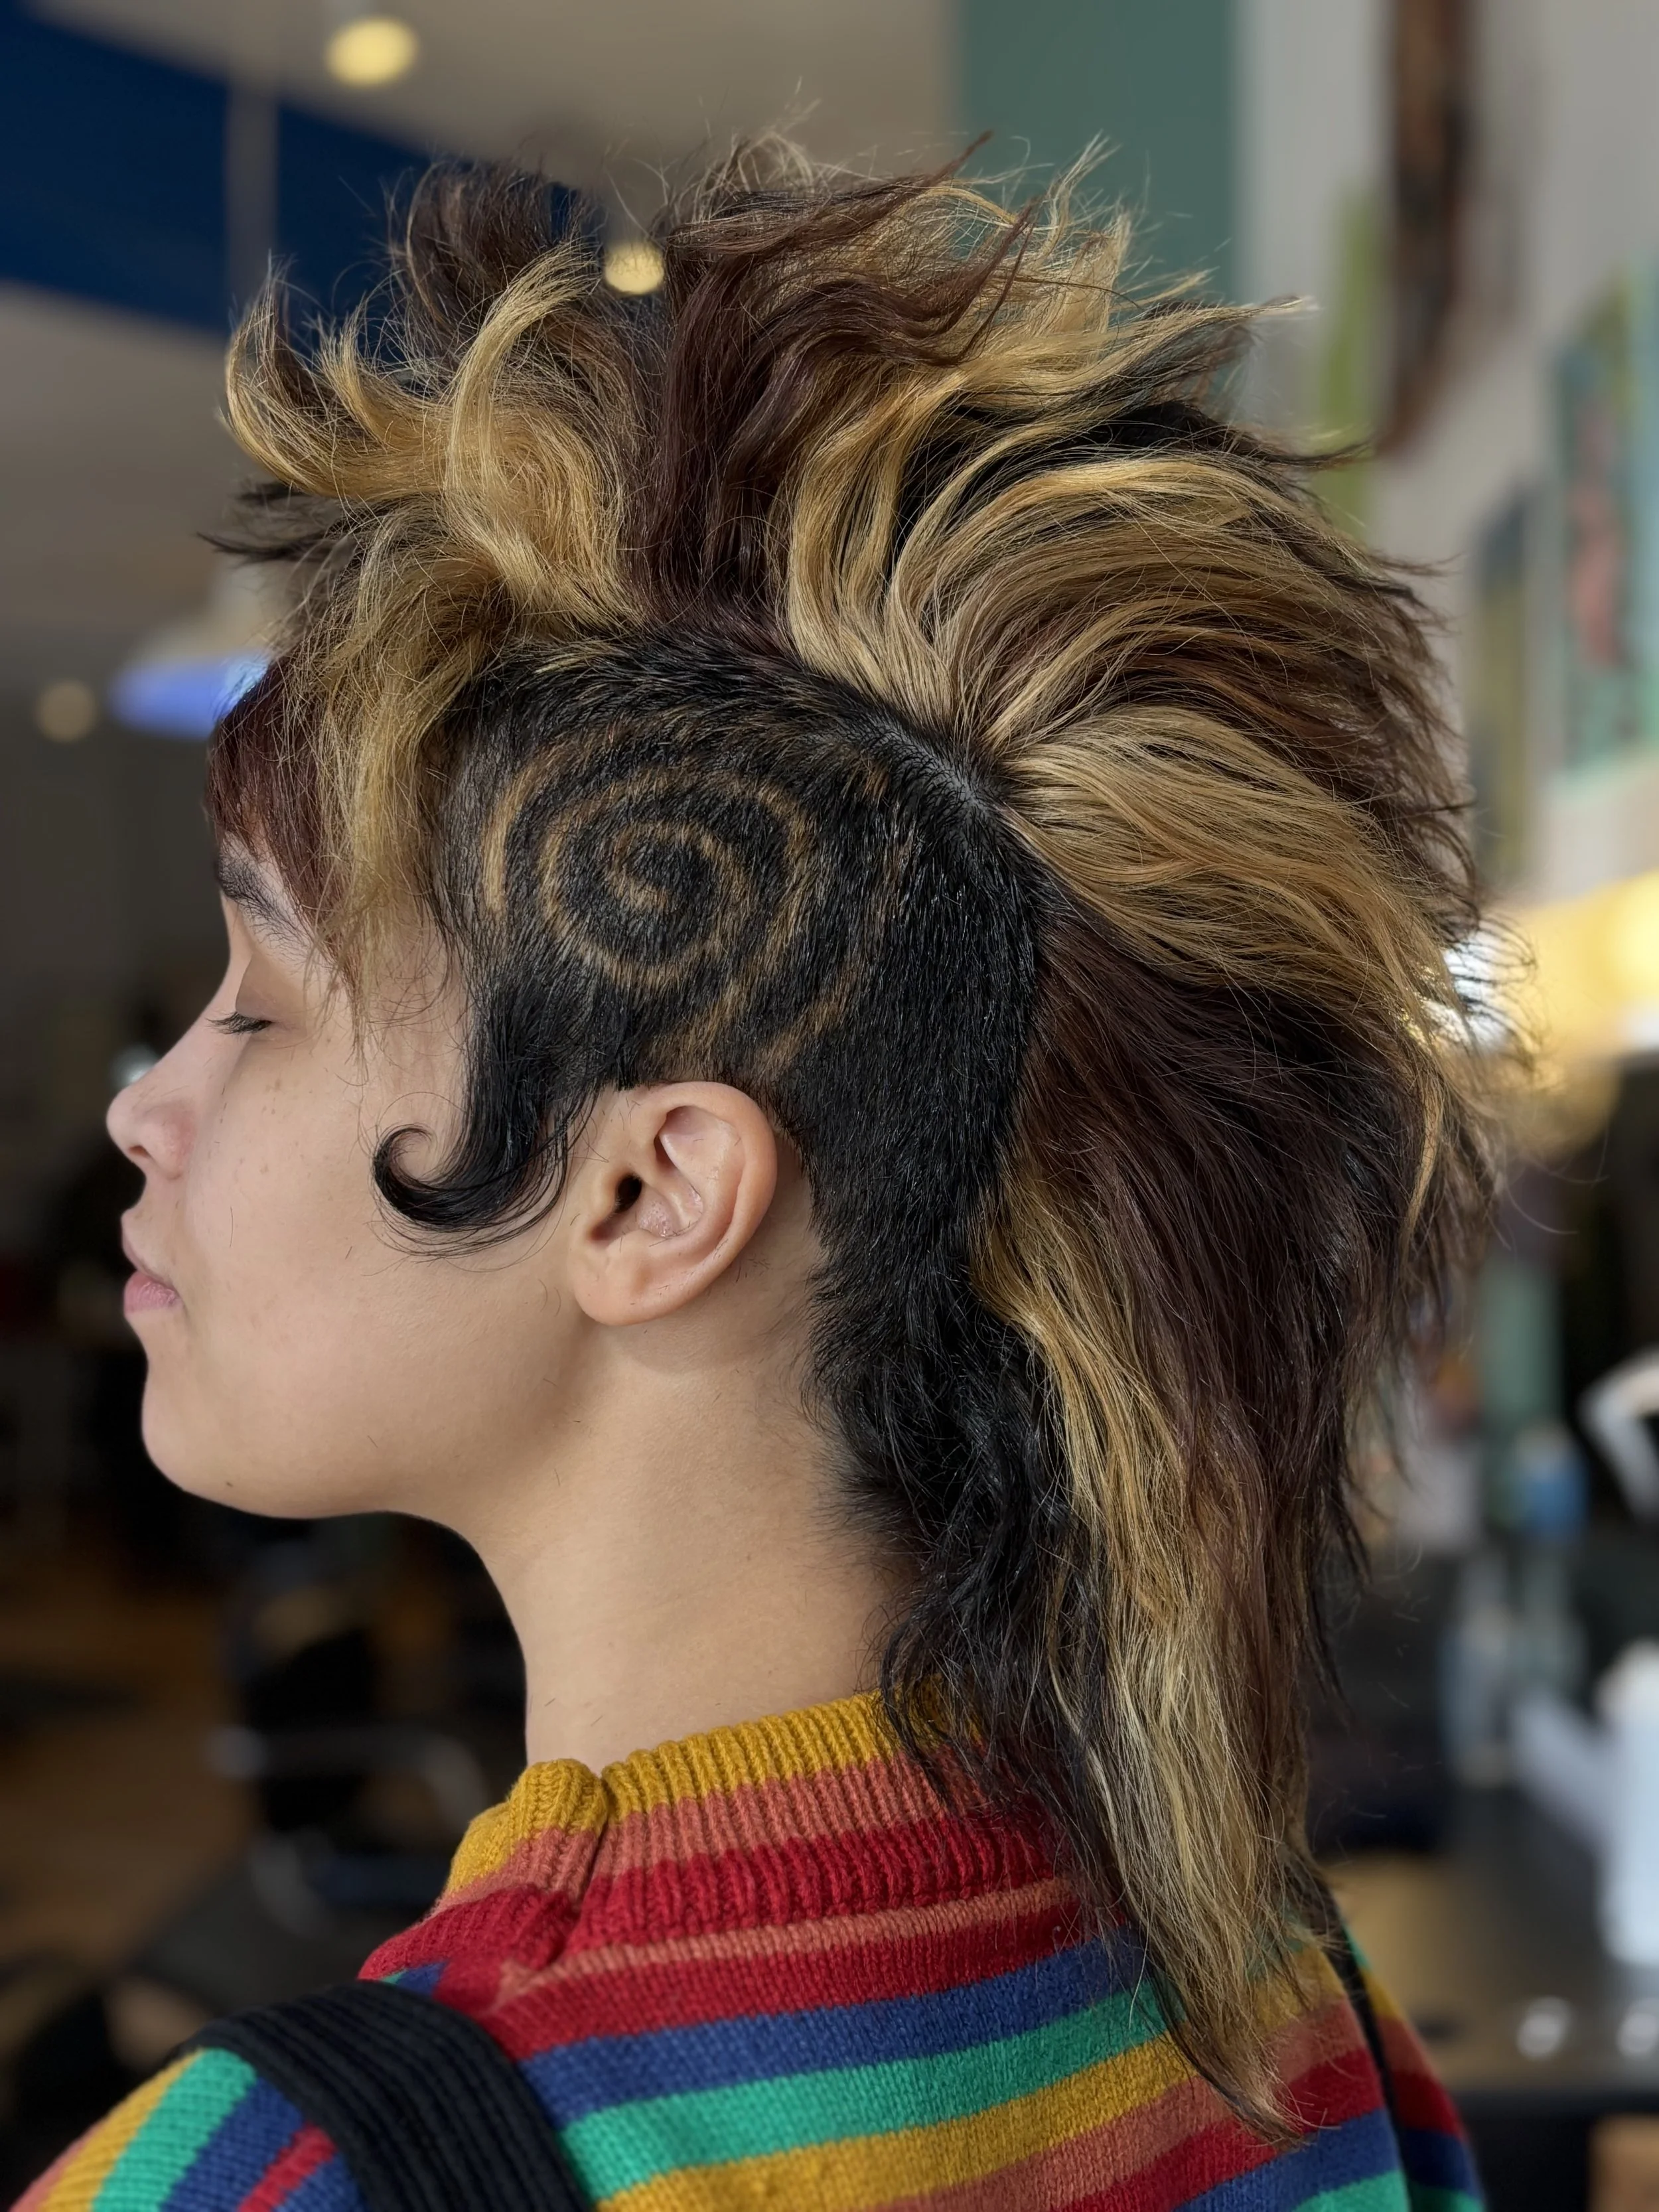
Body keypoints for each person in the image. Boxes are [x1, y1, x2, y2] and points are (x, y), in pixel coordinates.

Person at [21, 146, 1490, 2209]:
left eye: (261, 1002)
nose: (143, 1109)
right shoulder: (1274, 2006)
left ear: (649, 1194)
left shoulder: (282, 2180)